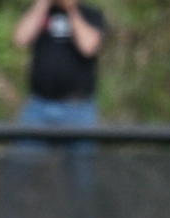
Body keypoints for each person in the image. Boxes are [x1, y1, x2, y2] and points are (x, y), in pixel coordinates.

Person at [13, 0, 106, 131]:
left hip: (78, 108)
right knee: (27, 151)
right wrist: (42, 4)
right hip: (39, 105)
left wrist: (71, 9)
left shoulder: (91, 14)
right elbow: (20, 39)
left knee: (83, 151)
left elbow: (88, 47)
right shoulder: (39, 14)